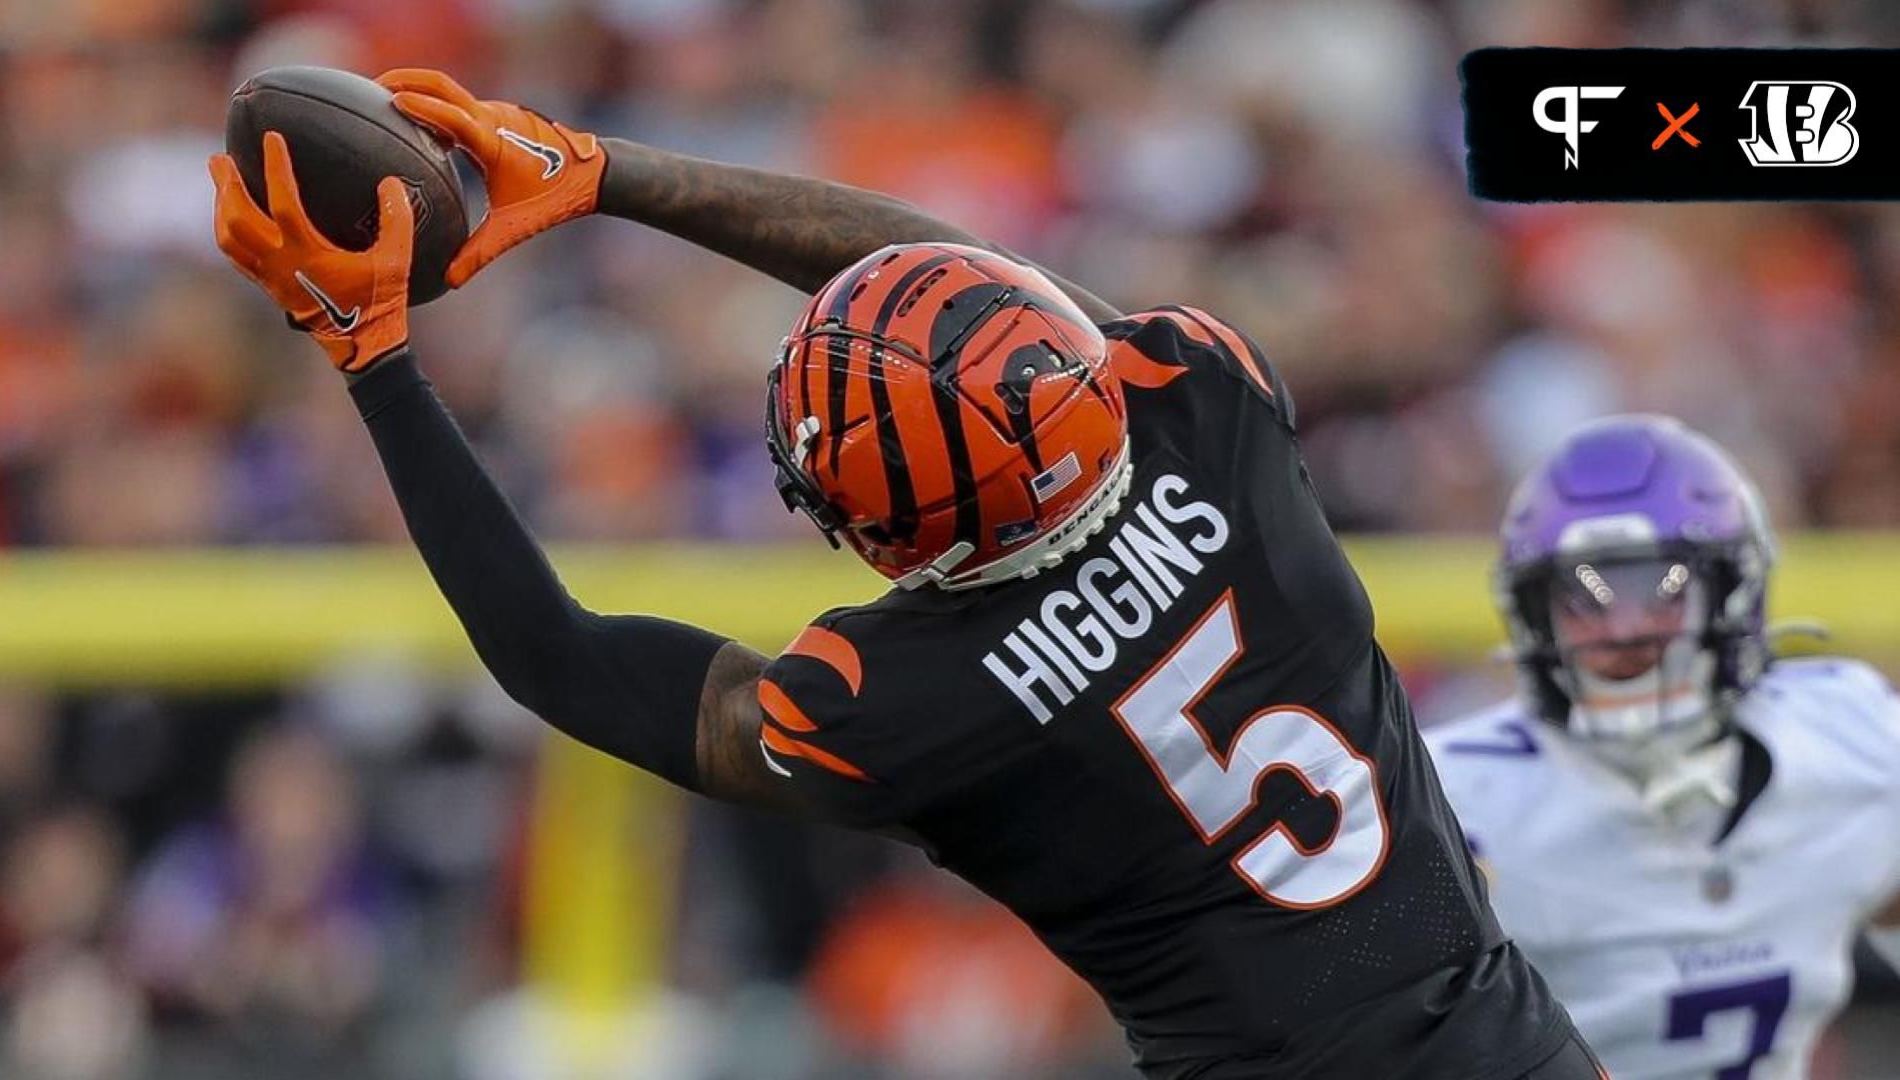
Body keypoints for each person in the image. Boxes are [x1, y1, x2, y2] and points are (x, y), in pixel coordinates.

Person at [207, 68, 1601, 1078]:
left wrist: (373, 360)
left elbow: (559, 655)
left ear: (881, 533)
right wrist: (611, 170)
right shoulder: (1205, 403)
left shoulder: (916, 708)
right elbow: (966, 282)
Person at [1425, 415, 1900, 1080]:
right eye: (1585, 595)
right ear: (1534, 613)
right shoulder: (1458, 800)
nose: (1625, 628)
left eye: (1665, 588)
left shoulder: (1854, 745)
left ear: (1734, 593)